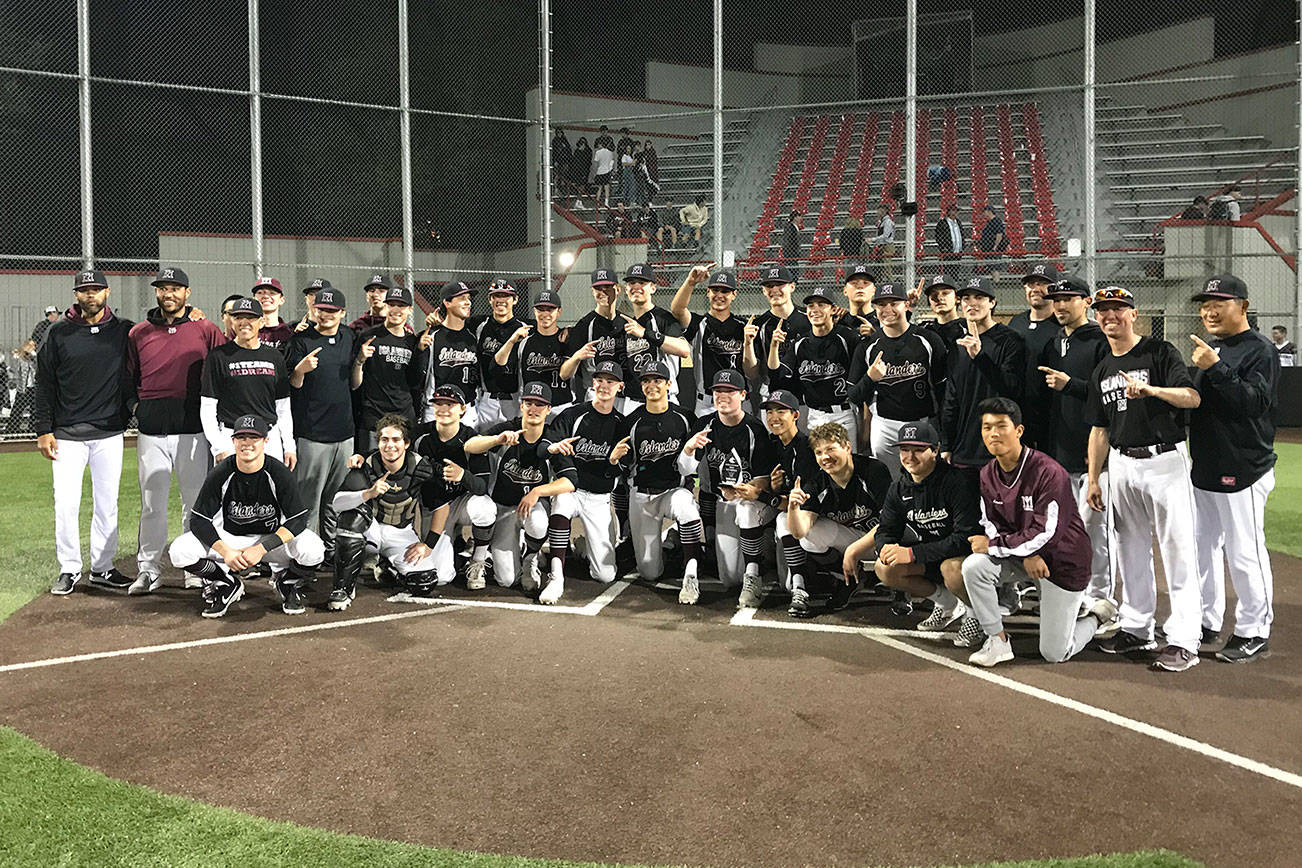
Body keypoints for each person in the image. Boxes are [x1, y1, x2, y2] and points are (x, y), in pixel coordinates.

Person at [1085, 284, 1203, 672]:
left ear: (1134, 314)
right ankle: (1137, 627)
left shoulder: (1159, 352)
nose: (1110, 316)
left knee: (1178, 550)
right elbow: (1099, 429)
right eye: (1103, 310)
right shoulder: (1102, 368)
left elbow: (1192, 397)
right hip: (1121, 463)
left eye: (1118, 309)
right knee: (1129, 549)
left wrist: (1151, 389)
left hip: (1163, 461)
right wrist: (1094, 478)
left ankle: (1185, 639)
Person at [962, 398, 1118, 666]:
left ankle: (1097, 616)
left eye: (1001, 426)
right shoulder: (987, 473)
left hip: (1063, 562)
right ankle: (997, 642)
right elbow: (990, 522)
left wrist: (996, 546)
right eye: (987, 428)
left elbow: (1047, 532)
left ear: (1019, 431)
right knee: (974, 567)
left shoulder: (1048, 472)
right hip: (1027, 557)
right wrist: (1022, 555)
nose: (993, 434)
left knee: (1055, 653)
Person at [1187, 274, 1280, 662]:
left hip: (1243, 467)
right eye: (1205, 304)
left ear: (1242, 306)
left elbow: (1253, 403)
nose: (1209, 310)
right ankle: (1206, 621)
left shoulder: (1260, 349)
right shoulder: (1210, 347)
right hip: (1205, 465)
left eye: (1218, 303)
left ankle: (1253, 628)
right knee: (1201, 551)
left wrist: (1216, 366)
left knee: (1245, 552)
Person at [125, 267, 227, 595]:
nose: (168, 294)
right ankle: (149, 569)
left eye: (175, 289)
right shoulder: (139, 332)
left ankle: (192, 566)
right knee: (152, 501)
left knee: (194, 502)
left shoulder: (205, 328)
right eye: (163, 288)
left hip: (192, 429)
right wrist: (135, 408)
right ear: (156, 293)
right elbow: (128, 377)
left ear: (187, 293)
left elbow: (225, 368)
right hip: (152, 430)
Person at [35, 269, 135, 595]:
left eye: (96, 289)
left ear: (107, 293)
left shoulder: (123, 331)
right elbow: (45, 384)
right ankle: (69, 568)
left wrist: (192, 315)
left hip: (109, 431)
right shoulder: (58, 333)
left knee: (107, 504)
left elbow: (159, 329)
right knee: (65, 503)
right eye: (84, 290)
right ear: (76, 294)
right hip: (66, 434)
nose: (90, 295)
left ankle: (103, 568)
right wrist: (43, 430)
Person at [169, 414, 324, 618]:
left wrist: (261, 549)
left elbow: (298, 519)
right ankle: (225, 582)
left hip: (269, 540)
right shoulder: (222, 472)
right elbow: (198, 520)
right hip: (232, 540)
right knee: (179, 551)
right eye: (241, 438)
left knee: (314, 550)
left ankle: (287, 582)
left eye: (254, 438)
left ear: (265, 441)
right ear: (233, 441)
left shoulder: (277, 472)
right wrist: (226, 552)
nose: (247, 443)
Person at [1035, 274, 1113, 620]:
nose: (1061, 304)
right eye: (1057, 298)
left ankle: (1101, 596)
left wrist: (1071, 385)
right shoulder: (1055, 341)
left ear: (1086, 302)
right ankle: (1075, 591)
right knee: (1063, 528)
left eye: (1069, 298)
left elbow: (1107, 394)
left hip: (1093, 451)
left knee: (1096, 529)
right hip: (1061, 450)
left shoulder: (1099, 340)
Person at [465, 382, 577, 595]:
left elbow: (570, 482)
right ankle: (515, 553)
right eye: (529, 403)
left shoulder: (552, 437)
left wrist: (537, 492)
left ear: (548, 409)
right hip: (504, 508)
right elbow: (469, 445)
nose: (533, 409)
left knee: (538, 522)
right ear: (521, 404)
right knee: (506, 580)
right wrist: (496, 440)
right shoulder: (509, 428)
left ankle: (531, 557)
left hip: (532, 508)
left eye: (539, 405)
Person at [681, 370, 778, 607]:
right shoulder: (705, 425)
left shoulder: (754, 429)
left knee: (746, 511)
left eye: (729, 391)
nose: (722, 396)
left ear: (743, 395)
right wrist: (689, 448)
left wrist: (746, 490)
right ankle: (755, 550)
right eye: (718, 391)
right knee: (729, 579)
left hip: (750, 501)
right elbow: (684, 470)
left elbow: (765, 479)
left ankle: (755, 569)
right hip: (721, 503)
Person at [872, 421, 978, 632]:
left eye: (919, 450)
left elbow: (964, 539)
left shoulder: (957, 482)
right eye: (904, 450)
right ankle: (947, 604)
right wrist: (884, 547)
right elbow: (885, 530)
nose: (909, 457)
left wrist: (911, 553)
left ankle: (977, 616)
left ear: (935, 451)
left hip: (963, 556)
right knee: (884, 568)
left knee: (953, 570)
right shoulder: (898, 488)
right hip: (929, 556)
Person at [542, 361, 631, 598]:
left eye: (610, 381)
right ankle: (556, 575)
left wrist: (612, 463)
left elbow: (622, 469)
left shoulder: (622, 425)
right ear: (593, 382)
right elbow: (552, 447)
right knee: (561, 501)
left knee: (605, 575)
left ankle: (584, 546)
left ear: (620, 387)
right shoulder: (573, 414)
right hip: (572, 490)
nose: (604, 385)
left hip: (600, 498)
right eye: (600, 380)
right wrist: (566, 475)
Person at [784, 422, 893, 614]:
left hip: (883, 538)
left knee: (897, 543)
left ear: (847, 448)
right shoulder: (816, 482)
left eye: (831, 449)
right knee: (810, 536)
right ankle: (849, 580)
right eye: (819, 452)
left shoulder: (874, 470)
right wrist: (793, 508)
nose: (825, 457)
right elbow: (799, 532)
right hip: (855, 537)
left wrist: (852, 551)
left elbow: (890, 523)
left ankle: (902, 591)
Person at [329, 413, 438, 605]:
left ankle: (388, 566)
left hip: (402, 531)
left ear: (406, 443)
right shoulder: (366, 465)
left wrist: (427, 544)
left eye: (396, 440)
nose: (390, 445)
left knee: (425, 582)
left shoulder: (421, 467)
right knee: (351, 517)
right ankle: (342, 588)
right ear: (378, 442)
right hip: (372, 530)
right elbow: (337, 503)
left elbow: (440, 506)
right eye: (384, 440)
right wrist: (368, 493)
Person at [286, 286, 358, 563]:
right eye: (321, 309)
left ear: (342, 313)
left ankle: (330, 551)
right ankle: (306, 557)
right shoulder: (301, 339)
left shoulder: (349, 337)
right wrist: (299, 370)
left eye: (331, 310)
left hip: (344, 432)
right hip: (312, 432)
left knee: (336, 499)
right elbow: (292, 384)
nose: (325, 314)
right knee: (309, 502)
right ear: (313, 310)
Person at [622, 363, 704, 602]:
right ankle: (671, 545)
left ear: (669, 384)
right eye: (647, 381)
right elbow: (624, 465)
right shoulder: (631, 421)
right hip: (642, 497)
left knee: (688, 509)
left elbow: (691, 466)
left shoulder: (686, 418)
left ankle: (691, 574)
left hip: (673, 491)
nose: (652, 386)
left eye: (658, 380)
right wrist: (617, 459)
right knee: (649, 572)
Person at [849, 282, 948, 479]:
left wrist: (943, 436)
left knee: (926, 480)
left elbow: (943, 390)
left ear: (906, 305)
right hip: (884, 426)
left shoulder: (928, 340)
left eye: (893, 303)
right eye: (881, 305)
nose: (887, 310)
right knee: (890, 482)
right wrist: (870, 378)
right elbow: (853, 395)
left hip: (922, 423)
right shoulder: (868, 346)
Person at [939, 277, 1026, 486]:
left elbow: (1012, 389)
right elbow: (952, 398)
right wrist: (946, 445)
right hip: (964, 450)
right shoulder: (958, 344)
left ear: (992, 303)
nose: (972, 303)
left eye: (979, 297)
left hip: (999, 448)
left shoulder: (1011, 340)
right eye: (966, 298)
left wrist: (980, 357)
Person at [411, 385, 495, 590]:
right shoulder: (420, 435)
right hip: (435, 508)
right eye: (438, 404)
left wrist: (463, 475)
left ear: (462, 409)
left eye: (450, 404)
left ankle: (477, 559)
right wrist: (362, 456)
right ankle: (456, 546)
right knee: (440, 577)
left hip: (461, 503)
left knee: (485, 509)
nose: (443, 409)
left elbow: (482, 486)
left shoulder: (470, 438)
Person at [201, 297, 296, 466]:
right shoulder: (218, 356)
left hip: (268, 438)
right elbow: (208, 406)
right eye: (238, 317)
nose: (244, 322)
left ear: (261, 321)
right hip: (232, 437)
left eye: (250, 318)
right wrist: (218, 446)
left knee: (270, 491)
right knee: (231, 492)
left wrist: (289, 446)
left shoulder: (274, 356)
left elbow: (283, 406)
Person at [759, 390, 821, 616]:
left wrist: (766, 495)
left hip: (813, 516)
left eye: (781, 411)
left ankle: (801, 587)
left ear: (796, 415)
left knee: (785, 518)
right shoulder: (771, 445)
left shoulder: (807, 447)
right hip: (789, 516)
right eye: (769, 411)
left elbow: (799, 503)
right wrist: (774, 488)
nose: (774, 417)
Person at [352, 285, 425, 452]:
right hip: (374, 417)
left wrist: (420, 352)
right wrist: (360, 360)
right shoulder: (368, 336)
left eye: (401, 305)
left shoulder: (412, 341)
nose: (396, 310)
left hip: (404, 416)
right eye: (391, 304)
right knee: (370, 469)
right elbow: (355, 384)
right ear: (385, 306)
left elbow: (415, 382)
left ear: (409, 309)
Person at [670, 265, 746, 416]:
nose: (719, 295)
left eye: (725, 291)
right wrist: (691, 282)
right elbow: (677, 310)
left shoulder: (743, 326)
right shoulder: (699, 323)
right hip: (706, 403)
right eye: (715, 290)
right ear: (708, 292)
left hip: (739, 400)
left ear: (734, 294)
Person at [787, 286, 860, 444]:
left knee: (848, 463)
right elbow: (781, 375)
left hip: (843, 414)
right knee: (819, 464)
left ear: (833, 309)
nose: (815, 309)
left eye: (821, 305)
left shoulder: (848, 337)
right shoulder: (800, 343)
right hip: (814, 415)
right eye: (811, 305)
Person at [617, 262, 691, 405]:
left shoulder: (663, 318)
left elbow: (684, 349)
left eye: (642, 282)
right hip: (632, 402)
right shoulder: (628, 324)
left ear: (653, 288)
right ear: (626, 289)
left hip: (663, 399)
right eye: (632, 283)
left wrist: (645, 333)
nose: (636, 287)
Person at [1008, 264, 1061, 449]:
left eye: (1043, 283)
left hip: (1054, 418)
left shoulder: (1063, 325)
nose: (1035, 289)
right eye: (1031, 284)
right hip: (1020, 415)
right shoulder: (1016, 323)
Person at [496, 290, 576, 413]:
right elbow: (498, 365)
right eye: (540, 309)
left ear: (559, 311)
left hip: (561, 406)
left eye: (550, 309)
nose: (545, 313)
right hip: (532, 407)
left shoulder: (568, 339)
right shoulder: (524, 342)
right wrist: (511, 341)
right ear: (534, 311)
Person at [741, 265, 812, 403]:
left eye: (779, 284)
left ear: (792, 287)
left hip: (806, 394)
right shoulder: (758, 325)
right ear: (763, 291)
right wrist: (748, 344)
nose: (774, 289)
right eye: (769, 285)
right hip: (772, 395)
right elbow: (751, 374)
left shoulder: (809, 319)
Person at [471, 279, 530, 429]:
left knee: (512, 448)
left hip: (514, 399)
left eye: (506, 296)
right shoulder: (479, 326)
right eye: (496, 296)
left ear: (515, 300)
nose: (500, 300)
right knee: (484, 446)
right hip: (486, 400)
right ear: (490, 299)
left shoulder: (525, 329)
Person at [564, 268, 627, 406]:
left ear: (618, 289)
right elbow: (564, 374)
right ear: (592, 291)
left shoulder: (627, 323)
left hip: (624, 395)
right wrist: (577, 357)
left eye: (607, 287)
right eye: (598, 288)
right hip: (596, 393)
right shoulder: (584, 325)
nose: (603, 292)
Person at [421, 281, 482, 425]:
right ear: (447, 303)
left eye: (469, 298)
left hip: (467, 409)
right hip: (438, 409)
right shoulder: (432, 336)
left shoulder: (474, 337)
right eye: (462, 298)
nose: (468, 302)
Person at [252, 276, 294, 352]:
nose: (266, 296)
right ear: (254, 299)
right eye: (260, 293)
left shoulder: (288, 333)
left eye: (272, 293)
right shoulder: (247, 330)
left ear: (282, 300)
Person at [975, 205, 1008, 278]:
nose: (983, 214)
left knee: (994, 267)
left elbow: (999, 234)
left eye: (984, 212)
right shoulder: (989, 222)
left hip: (993, 248)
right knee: (991, 267)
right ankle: (995, 281)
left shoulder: (996, 221)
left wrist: (995, 246)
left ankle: (996, 282)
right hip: (988, 248)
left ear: (989, 211)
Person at [866, 204, 897, 279]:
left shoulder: (888, 222)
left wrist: (872, 239)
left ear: (885, 211)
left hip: (887, 246)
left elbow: (885, 236)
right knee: (881, 267)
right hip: (882, 246)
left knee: (887, 267)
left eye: (880, 211)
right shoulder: (882, 222)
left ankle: (891, 282)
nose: (878, 212)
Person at [590, 141, 615, 207]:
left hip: (600, 171)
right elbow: (611, 163)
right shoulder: (610, 153)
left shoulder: (598, 152)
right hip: (607, 171)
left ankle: (597, 202)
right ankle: (606, 202)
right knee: (607, 188)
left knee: (599, 188)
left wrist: (594, 172)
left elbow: (595, 163)